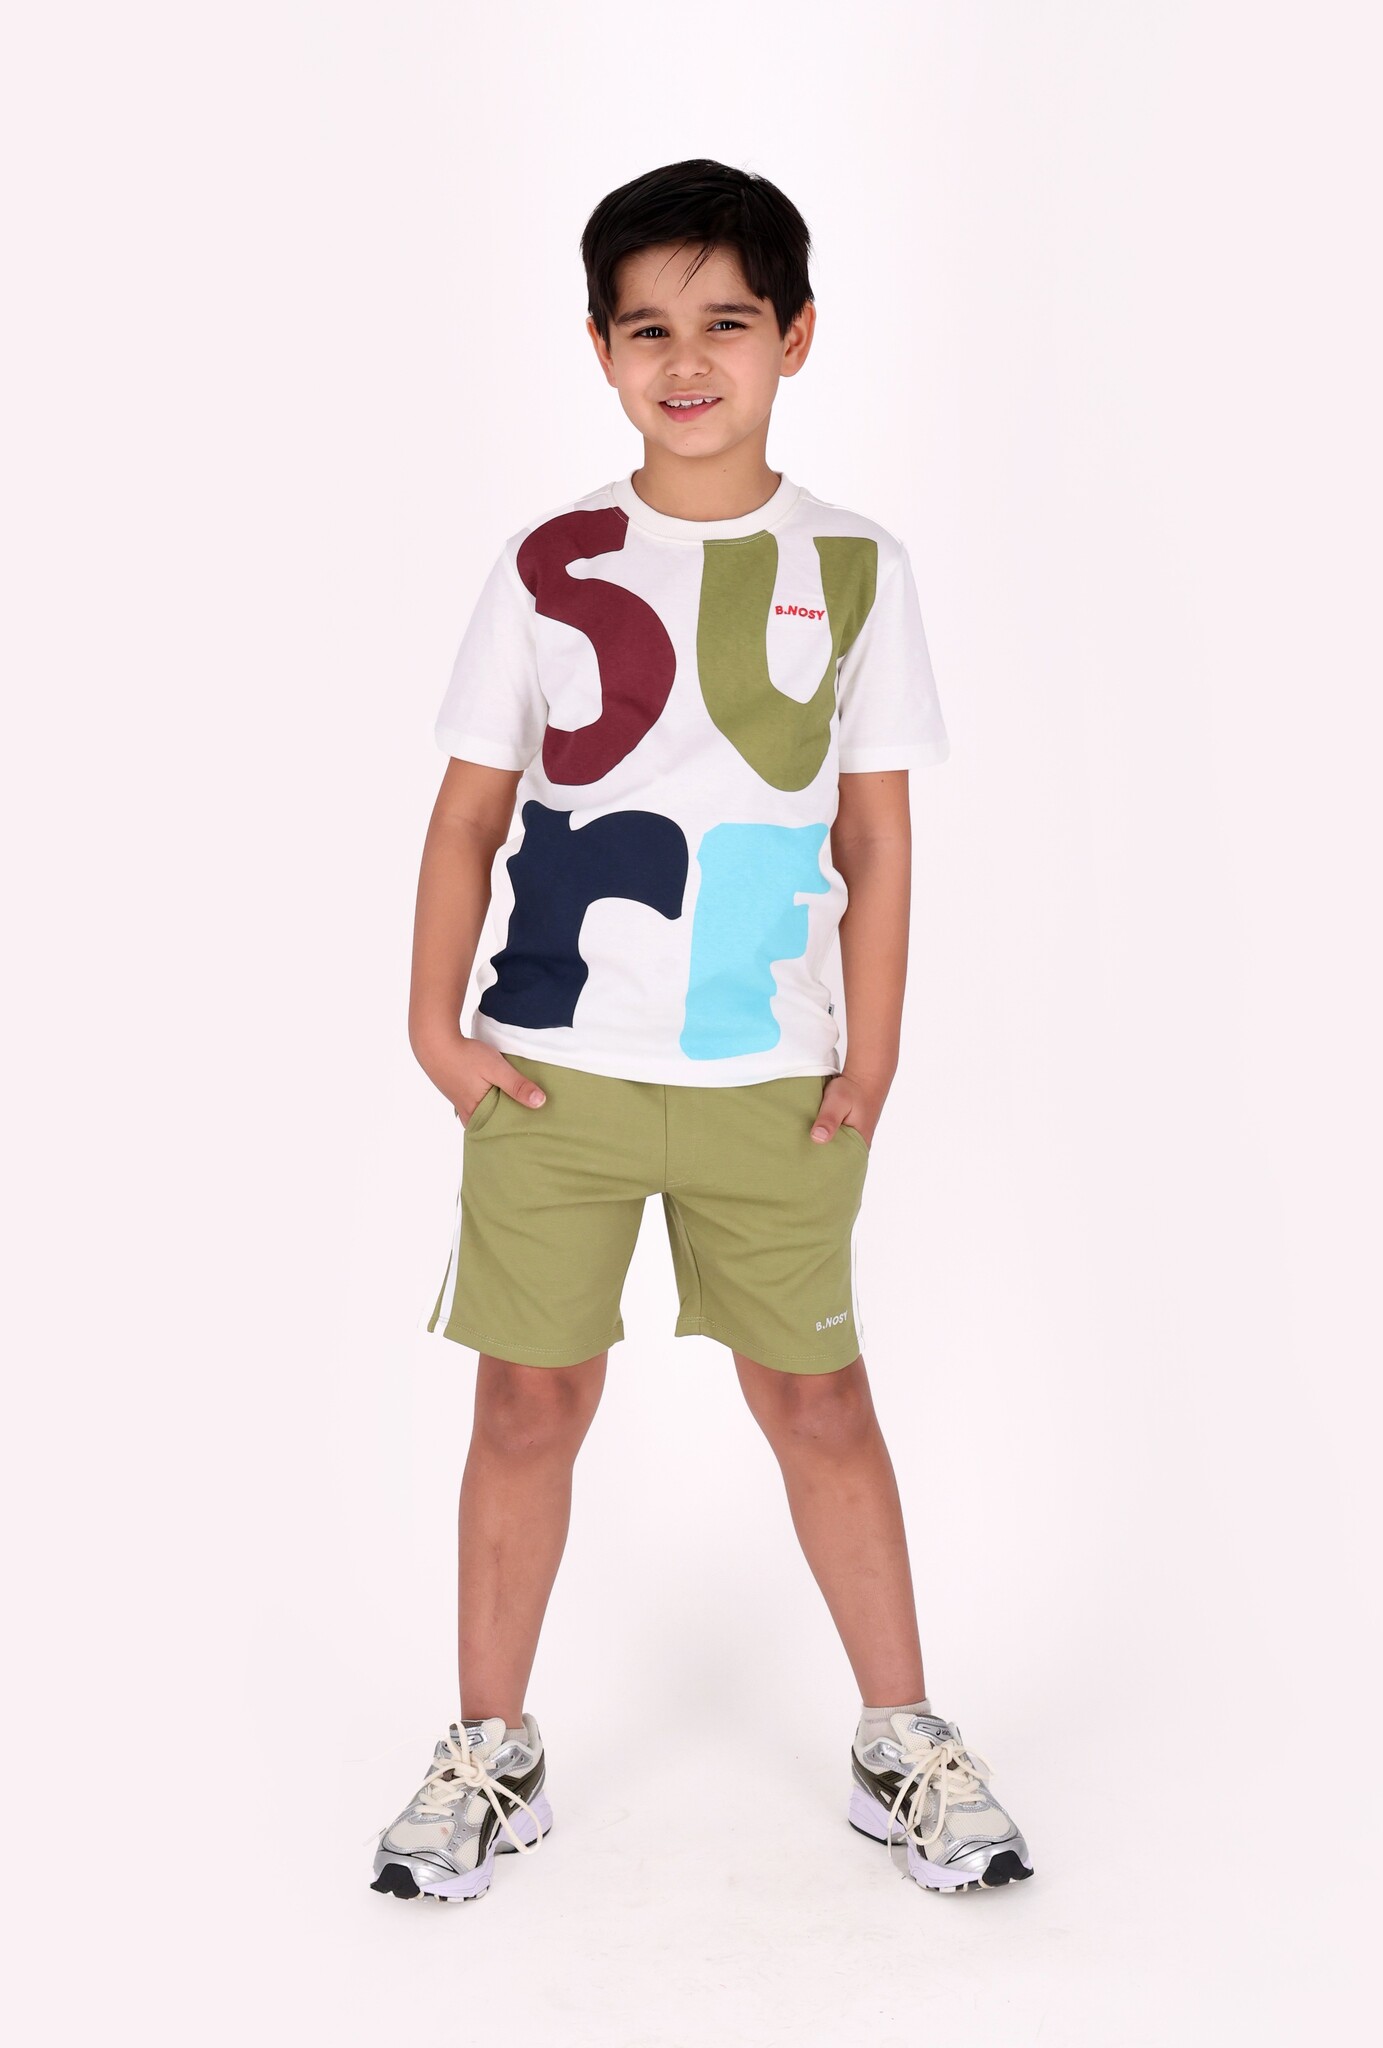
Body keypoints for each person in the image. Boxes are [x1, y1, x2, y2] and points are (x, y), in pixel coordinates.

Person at [370, 158, 1034, 1906]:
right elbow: (467, 814)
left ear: (795, 337)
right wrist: (436, 1029)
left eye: (726, 323)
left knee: (821, 1398)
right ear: (599, 347)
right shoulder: (547, 563)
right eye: (647, 328)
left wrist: (872, 1055)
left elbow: (878, 835)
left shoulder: (857, 566)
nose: (687, 361)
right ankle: (489, 1750)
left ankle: (902, 1739)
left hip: (772, 1079)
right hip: (554, 1071)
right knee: (528, 1403)